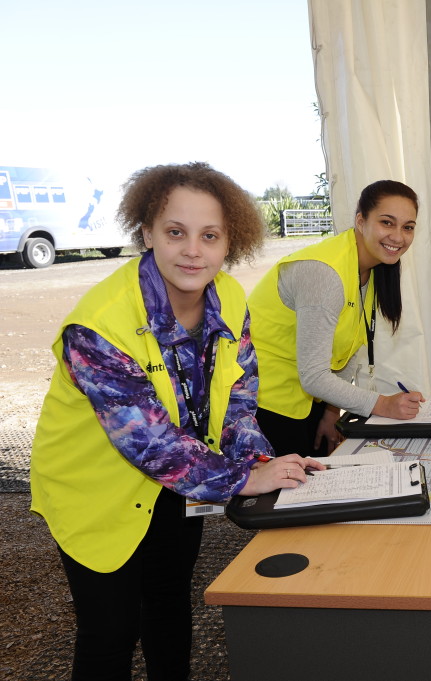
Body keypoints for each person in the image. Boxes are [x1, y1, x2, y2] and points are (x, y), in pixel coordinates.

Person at [29, 162, 326, 681]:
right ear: (146, 233)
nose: (193, 250)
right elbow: (149, 444)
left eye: (209, 236)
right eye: (175, 232)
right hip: (93, 493)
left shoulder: (231, 297)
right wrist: (242, 479)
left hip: (181, 482)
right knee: (110, 631)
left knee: (169, 603)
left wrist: (259, 459)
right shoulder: (98, 325)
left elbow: (238, 394)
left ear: (229, 241)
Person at [247, 179, 425, 458]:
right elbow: (314, 376)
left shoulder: (370, 267)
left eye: (408, 227)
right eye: (387, 222)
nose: (398, 237)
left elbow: (345, 347)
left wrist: (331, 415)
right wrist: (382, 405)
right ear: (360, 221)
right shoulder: (325, 273)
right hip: (262, 406)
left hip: (308, 402)